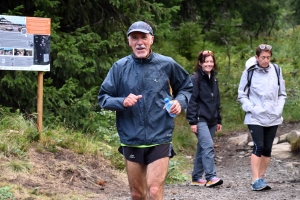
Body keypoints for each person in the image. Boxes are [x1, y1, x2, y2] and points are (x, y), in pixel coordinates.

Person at [98, 21, 193, 200]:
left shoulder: (166, 64)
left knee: (155, 190)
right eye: (135, 38)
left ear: (152, 40)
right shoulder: (119, 67)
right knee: (137, 194)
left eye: (144, 37)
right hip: (131, 137)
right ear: (129, 41)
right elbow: (103, 98)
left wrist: (179, 101)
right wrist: (122, 101)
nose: (139, 42)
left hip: (160, 135)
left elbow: (186, 87)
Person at [237, 44, 287, 191]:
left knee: (267, 148)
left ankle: (261, 178)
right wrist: (252, 108)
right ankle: (255, 180)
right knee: (258, 146)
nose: (266, 60)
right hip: (255, 117)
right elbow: (242, 94)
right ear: (257, 57)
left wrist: (279, 109)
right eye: (263, 57)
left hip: (273, 116)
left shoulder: (277, 70)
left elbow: (282, 93)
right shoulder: (249, 72)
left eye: (268, 57)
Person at [186, 50, 223, 187]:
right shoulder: (195, 78)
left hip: (212, 119)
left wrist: (218, 120)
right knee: (208, 147)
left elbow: (216, 100)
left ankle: (196, 177)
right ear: (200, 63)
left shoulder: (214, 78)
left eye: (211, 61)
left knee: (202, 148)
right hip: (199, 119)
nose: (209, 64)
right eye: (206, 61)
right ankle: (211, 177)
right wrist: (192, 121)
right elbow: (192, 100)